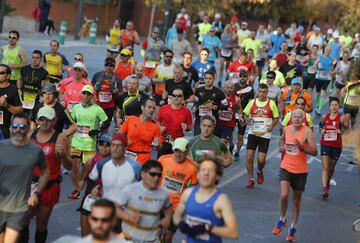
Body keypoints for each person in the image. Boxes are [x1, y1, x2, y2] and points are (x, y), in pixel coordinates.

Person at [21, 107, 71, 243]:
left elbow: (69, 166)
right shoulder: (29, 135)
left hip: (49, 187)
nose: (45, 122)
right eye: (41, 119)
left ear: (54, 121)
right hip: (29, 185)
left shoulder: (60, 138)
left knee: (41, 225)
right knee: (24, 220)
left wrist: (64, 156)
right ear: (37, 120)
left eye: (48, 119)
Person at [0, 112, 49, 243]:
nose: (18, 130)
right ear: (10, 128)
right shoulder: (1, 147)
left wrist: (36, 193)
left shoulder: (35, 150)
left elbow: (45, 172)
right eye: (15, 126)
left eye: (22, 127)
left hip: (19, 208)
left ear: (28, 129)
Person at [273, 109, 317, 242]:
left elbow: (315, 151)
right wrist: (281, 147)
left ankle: (292, 228)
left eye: (299, 117)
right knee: (284, 194)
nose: (297, 119)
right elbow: (281, 141)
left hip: (300, 171)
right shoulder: (286, 129)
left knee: (296, 202)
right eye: (294, 117)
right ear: (291, 118)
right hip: (286, 166)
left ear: (303, 119)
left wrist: (302, 148)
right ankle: (282, 219)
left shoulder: (307, 131)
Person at [173, 154, 239, 242]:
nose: (206, 173)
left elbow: (233, 233)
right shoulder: (187, 194)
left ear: (217, 176)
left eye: (210, 171)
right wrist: (181, 224)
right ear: (197, 174)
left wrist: (208, 228)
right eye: (203, 170)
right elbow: (176, 217)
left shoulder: (221, 200)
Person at [68, 85, 109, 199]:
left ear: (92, 95)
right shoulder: (76, 108)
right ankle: (76, 189)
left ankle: (81, 181)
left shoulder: (97, 109)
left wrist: (97, 130)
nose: (85, 96)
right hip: (76, 142)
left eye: (88, 94)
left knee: (86, 168)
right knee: (75, 166)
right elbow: (73, 122)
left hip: (89, 144)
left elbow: (106, 122)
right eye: (84, 93)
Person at [115, 160, 172, 242]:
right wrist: (129, 217)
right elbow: (115, 208)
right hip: (129, 239)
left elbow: (168, 207)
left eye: (159, 175)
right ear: (142, 174)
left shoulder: (163, 194)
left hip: (151, 240)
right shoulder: (129, 190)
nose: (156, 178)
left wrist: (168, 218)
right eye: (152, 174)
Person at [158, 137, 198, 243]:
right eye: (176, 151)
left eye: (181, 152)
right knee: (156, 234)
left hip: (176, 207)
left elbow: (195, 186)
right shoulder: (163, 160)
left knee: (167, 237)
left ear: (187, 151)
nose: (178, 155)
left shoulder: (192, 168)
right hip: (158, 202)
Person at [243, 83, 279, 188]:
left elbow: (276, 117)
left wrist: (272, 125)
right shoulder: (252, 103)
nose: (262, 94)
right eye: (260, 92)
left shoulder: (271, 104)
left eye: (264, 92)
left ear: (267, 93)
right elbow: (245, 115)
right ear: (257, 92)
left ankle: (259, 171)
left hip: (265, 135)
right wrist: (247, 120)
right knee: (249, 158)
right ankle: (250, 178)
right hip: (253, 133)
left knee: (261, 160)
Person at [77, 133, 112, 237]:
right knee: (86, 237)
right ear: (97, 145)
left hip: (106, 204)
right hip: (89, 201)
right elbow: (81, 183)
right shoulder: (90, 162)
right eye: (101, 144)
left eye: (107, 145)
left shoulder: (115, 164)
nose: (104, 147)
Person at [319, 97, 348, 198]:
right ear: (329, 106)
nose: (334, 107)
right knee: (325, 167)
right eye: (332, 105)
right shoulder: (324, 117)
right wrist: (321, 130)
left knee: (331, 169)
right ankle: (324, 189)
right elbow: (320, 126)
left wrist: (342, 131)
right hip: (325, 144)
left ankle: (327, 183)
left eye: (336, 105)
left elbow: (346, 129)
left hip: (336, 146)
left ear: (338, 106)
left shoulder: (341, 118)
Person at [119, 97, 162, 165]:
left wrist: (157, 145)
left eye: (153, 108)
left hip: (143, 158)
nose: (151, 110)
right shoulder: (131, 119)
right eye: (149, 107)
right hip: (127, 154)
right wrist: (124, 141)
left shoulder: (155, 127)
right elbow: (119, 135)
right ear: (142, 107)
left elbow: (160, 147)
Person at [157, 88, 193, 156]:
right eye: (174, 95)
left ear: (183, 98)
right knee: (162, 163)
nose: (176, 97)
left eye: (179, 96)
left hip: (178, 143)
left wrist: (186, 127)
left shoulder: (187, 111)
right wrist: (159, 128)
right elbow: (158, 122)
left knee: (176, 164)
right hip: (164, 141)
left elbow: (190, 127)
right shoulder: (164, 108)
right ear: (171, 97)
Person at [193, 71, 228, 136]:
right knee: (197, 142)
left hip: (212, 123)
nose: (208, 80)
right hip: (199, 121)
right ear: (204, 79)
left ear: (213, 79)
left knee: (212, 144)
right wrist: (194, 108)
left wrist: (214, 107)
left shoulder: (219, 92)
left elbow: (226, 106)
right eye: (206, 78)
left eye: (210, 78)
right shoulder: (198, 90)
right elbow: (195, 103)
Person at [92, 57, 122, 122]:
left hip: (110, 106)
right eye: (107, 65)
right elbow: (91, 88)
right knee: (96, 122)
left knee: (106, 123)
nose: (109, 67)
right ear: (104, 66)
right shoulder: (97, 75)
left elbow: (120, 94)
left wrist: (116, 93)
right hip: (98, 104)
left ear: (114, 67)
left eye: (111, 65)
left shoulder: (118, 78)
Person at [19, 50, 49, 116]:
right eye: (33, 57)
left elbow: (44, 88)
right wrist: (19, 92)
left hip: (34, 103)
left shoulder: (44, 73)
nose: (34, 60)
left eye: (37, 58)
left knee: (31, 122)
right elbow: (19, 81)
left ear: (41, 59)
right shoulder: (24, 69)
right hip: (22, 101)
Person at [233, 70, 255, 161]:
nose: (243, 78)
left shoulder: (250, 89)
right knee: (229, 133)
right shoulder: (234, 86)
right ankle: (230, 146)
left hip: (243, 115)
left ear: (247, 78)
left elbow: (250, 104)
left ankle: (237, 152)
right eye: (241, 76)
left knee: (240, 135)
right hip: (233, 114)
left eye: (244, 76)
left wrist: (247, 116)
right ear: (238, 77)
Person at [0, 64, 23, 138]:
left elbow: (19, 111)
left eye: (2, 72)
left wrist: (6, 105)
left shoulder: (13, 90)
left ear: (8, 76)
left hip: (3, 128)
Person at [217, 81, 238, 152]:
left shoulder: (236, 99)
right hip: (218, 123)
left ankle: (222, 158)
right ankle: (231, 144)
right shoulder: (219, 96)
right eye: (228, 88)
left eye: (231, 88)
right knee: (218, 142)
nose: (229, 89)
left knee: (223, 142)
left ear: (233, 88)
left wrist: (240, 117)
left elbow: (239, 109)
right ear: (224, 88)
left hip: (229, 124)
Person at [313, 46, 334, 116]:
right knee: (317, 93)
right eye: (327, 50)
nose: (328, 51)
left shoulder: (331, 59)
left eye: (329, 50)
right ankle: (316, 105)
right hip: (318, 78)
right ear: (324, 50)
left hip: (327, 79)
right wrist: (318, 67)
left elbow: (332, 68)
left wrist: (332, 71)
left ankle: (319, 110)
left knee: (323, 93)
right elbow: (314, 65)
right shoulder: (320, 57)